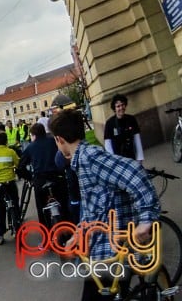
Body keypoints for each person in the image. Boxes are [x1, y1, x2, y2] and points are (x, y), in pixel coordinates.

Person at [50, 108, 160, 301]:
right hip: (102, 251)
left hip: (111, 251)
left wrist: (146, 219)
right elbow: (94, 207)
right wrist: (78, 234)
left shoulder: (89, 158)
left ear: (59, 140)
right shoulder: (82, 160)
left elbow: (135, 173)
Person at [18, 122, 68, 227]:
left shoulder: (30, 147)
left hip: (40, 180)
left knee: (41, 208)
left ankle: (45, 234)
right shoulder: (53, 141)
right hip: (57, 177)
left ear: (33, 135)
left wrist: (30, 177)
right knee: (64, 205)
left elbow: (20, 167)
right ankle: (69, 228)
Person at [103, 93, 144, 162]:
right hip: (118, 159)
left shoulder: (131, 119)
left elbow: (137, 139)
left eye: (123, 105)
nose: (121, 108)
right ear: (114, 109)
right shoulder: (109, 123)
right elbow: (108, 144)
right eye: (118, 106)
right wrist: (113, 161)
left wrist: (139, 158)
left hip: (131, 156)